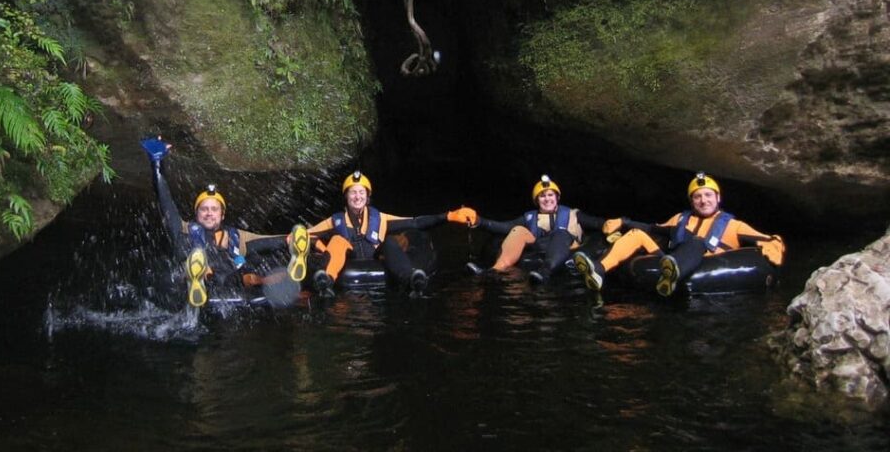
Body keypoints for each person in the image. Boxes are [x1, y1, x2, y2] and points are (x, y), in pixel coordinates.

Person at [141, 136, 309, 307]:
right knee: (189, 265)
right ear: (196, 213)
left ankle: (284, 278)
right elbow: (165, 200)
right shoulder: (182, 229)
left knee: (253, 266)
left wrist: (287, 239)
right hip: (191, 284)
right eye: (204, 209)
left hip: (229, 284)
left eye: (214, 209)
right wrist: (157, 163)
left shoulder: (235, 236)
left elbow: (264, 241)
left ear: (222, 215)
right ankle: (195, 279)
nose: (209, 213)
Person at [572, 172, 786, 297]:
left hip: (707, 262)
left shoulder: (734, 225)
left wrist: (775, 244)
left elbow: (768, 239)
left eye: (708, 195)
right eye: (698, 197)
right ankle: (599, 270)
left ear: (718, 198)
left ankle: (673, 275)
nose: (703, 200)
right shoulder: (680, 219)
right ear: (692, 201)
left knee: (698, 242)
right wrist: (625, 222)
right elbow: (652, 229)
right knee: (636, 234)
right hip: (670, 261)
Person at [304, 170, 476, 296]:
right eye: (353, 192)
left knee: (389, 241)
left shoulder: (380, 218)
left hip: (376, 259)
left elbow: (415, 222)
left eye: (361, 192)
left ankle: (411, 279)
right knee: (337, 240)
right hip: (348, 261)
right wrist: (319, 246)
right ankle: (326, 281)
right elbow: (305, 235)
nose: (357, 197)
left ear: (367, 196)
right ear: (346, 196)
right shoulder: (335, 220)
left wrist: (448, 216)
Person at [465, 174, 610, 283]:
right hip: (540, 247)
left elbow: (598, 223)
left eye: (550, 195)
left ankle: (545, 272)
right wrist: (479, 221)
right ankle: (494, 270)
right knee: (518, 230)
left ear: (557, 197)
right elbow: (504, 227)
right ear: (536, 200)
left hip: (567, 246)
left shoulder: (574, 214)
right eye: (542, 196)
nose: (547, 199)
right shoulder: (529, 217)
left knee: (560, 232)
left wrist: (613, 225)